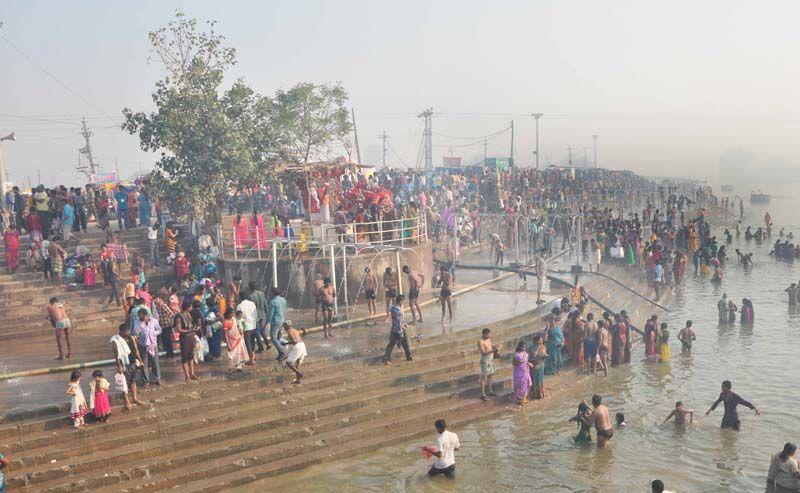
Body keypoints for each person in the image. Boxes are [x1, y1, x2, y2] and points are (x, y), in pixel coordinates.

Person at [110, 324, 144, 409]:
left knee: (133, 381)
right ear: (120, 332)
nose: (128, 332)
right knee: (124, 384)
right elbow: (116, 355)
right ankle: (126, 401)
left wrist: (140, 360)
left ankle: (135, 398)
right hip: (124, 364)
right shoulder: (116, 341)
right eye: (126, 331)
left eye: (129, 331)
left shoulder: (131, 338)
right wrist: (119, 366)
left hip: (133, 362)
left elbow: (136, 350)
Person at [135, 309, 162, 386]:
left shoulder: (154, 321)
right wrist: (142, 323)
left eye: (141, 315)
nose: (140, 317)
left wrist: (154, 333)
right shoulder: (137, 322)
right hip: (142, 345)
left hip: (153, 345)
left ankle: (157, 379)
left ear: (145, 315)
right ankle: (146, 381)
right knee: (144, 363)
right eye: (139, 316)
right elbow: (136, 332)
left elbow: (160, 330)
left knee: (155, 362)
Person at [383, 295, 413, 364]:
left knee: (392, 345)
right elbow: (398, 322)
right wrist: (400, 333)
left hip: (394, 329)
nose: (403, 303)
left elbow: (400, 320)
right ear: (400, 301)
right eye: (402, 301)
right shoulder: (398, 310)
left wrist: (405, 324)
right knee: (403, 344)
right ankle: (386, 359)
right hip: (398, 330)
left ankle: (409, 356)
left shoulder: (393, 307)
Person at [175, 301, 200, 381]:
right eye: (191, 306)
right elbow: (178, 329)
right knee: (185, 357)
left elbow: (191, 325)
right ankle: (187, 376)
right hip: (185, 338)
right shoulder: (179, 316)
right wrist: (189, 331)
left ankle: (192, 374)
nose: (191, 308)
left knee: (191, 356)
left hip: (191, 337)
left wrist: (193, 329)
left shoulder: (189, 314)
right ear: (188, 307)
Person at [222, 308, 248, 372]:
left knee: (239, 353)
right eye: (232, 313)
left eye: (233, 313)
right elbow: (225, 334)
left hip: (238, 338)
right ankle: (231, 367)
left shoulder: (234, 319)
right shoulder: (225, 322)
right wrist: (228, 343)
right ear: (228, 314)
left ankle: (239, 367)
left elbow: (238, 326)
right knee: (232, 355)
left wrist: (241, 331)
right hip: (231, 341)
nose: (233, 314)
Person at [237, 294, 259, 363]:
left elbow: (238, 318)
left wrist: (239, 327)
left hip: (246, 326)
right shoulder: (252, 304)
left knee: (248, 343)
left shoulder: (239, 306)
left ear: (240, 297)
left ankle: (251, 359)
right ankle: (253, 356)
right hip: (253, 325)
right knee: (252, 341)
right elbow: (255, 314)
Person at [478, 328, 498, 401]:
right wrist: (493, 350)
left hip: (491, 360)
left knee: (490, 377)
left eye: (490, 334)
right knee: (484, 378)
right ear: (483, 334)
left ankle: (490, 391)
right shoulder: (480, 341)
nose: (489, 336)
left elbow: (491, 347)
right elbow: (483, 352)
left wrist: (496, 348)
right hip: (485, 361)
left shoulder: (488, 339)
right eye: (488, 334)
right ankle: (483, 394)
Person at [269, 287, 287, 361]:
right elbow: (284, 310)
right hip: (282, 320)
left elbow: (271, 314)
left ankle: (282, 351)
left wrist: (268, 322)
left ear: (273, 293)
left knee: (273, 338)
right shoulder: (283, 300)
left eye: (271, 292)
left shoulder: (273, 302)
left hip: (275, 322)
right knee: (278, 338)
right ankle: (280, 353)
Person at [512, 340, 533, 405]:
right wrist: (519, 362)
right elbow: (514, 363)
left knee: (525, 385)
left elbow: (526, 361)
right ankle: (518, 399)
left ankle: (524, 399)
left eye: (525, 347)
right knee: (519, 385)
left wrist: (529, 363)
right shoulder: (516, 354)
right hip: (518, 372)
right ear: (519, 347)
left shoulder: (526, 354)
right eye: (522, 347)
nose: (523, 348)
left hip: (526, 371)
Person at [530, 334, 548, 399]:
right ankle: (534, 394)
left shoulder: (543, 347)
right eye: (539, 340)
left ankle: (540, 393)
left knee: (540, 379)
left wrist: (545, 356)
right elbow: (534, 355)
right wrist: (538, 347)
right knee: (535, 379)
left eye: (541, 340)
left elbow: (544, 354)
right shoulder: (532, 347)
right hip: (534, 365)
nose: (541, 342)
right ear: (536, 341)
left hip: (541, 364)